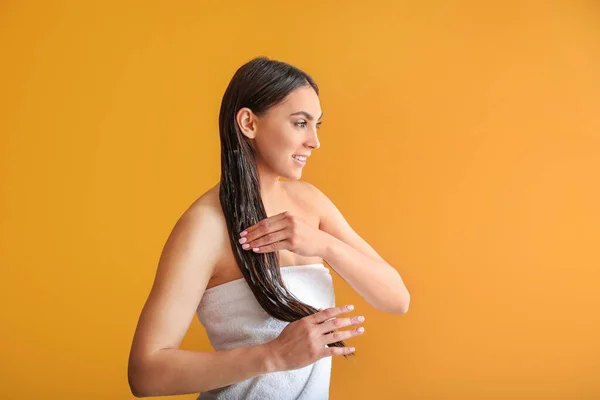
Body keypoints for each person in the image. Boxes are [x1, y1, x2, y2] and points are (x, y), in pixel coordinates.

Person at [127, 57, 410, 399]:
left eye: (317, 124)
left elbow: (397, 299)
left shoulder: (312, 204)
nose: (314, 141)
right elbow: (145, 374)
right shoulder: (204, 227)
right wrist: (272, 355)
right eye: (300, 123)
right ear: (248, 123)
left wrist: (323, 244)